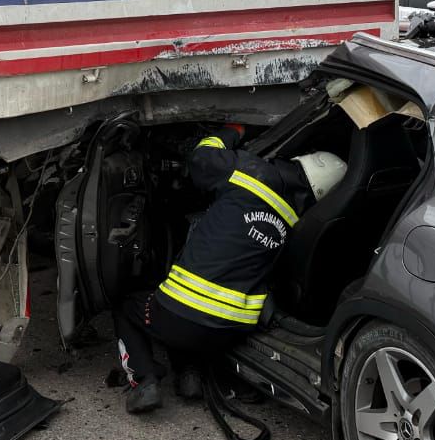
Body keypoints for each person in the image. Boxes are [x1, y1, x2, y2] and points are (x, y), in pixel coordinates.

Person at [113, 129, 348, 414]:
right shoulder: (296, 220)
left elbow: (201, 159)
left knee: (128, 307)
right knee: (193, 314)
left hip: (178, 317)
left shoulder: (251, 172)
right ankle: (190, 376)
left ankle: (143, 381)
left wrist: (231, 132)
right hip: (229, 332)